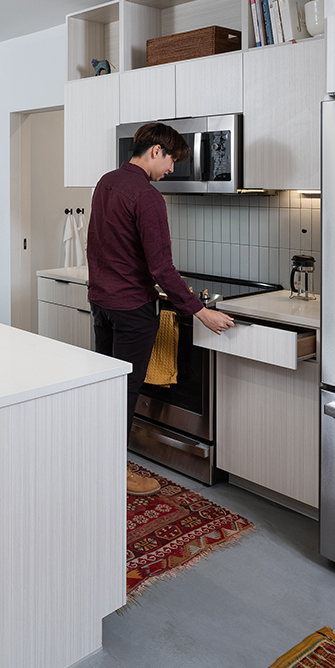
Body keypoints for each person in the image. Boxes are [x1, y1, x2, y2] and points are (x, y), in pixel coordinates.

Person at [87, 123, 234, 496]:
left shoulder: (106, 182)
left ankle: (97, 462)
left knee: (105, 386)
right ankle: (116, 472)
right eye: (171, 161)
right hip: (132, 307)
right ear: (156, 151)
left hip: (101, 302)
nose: (171, 170)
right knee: (126, 389)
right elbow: (161, 268)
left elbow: (98, 245)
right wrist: (200, 311)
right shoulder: (148, 197)